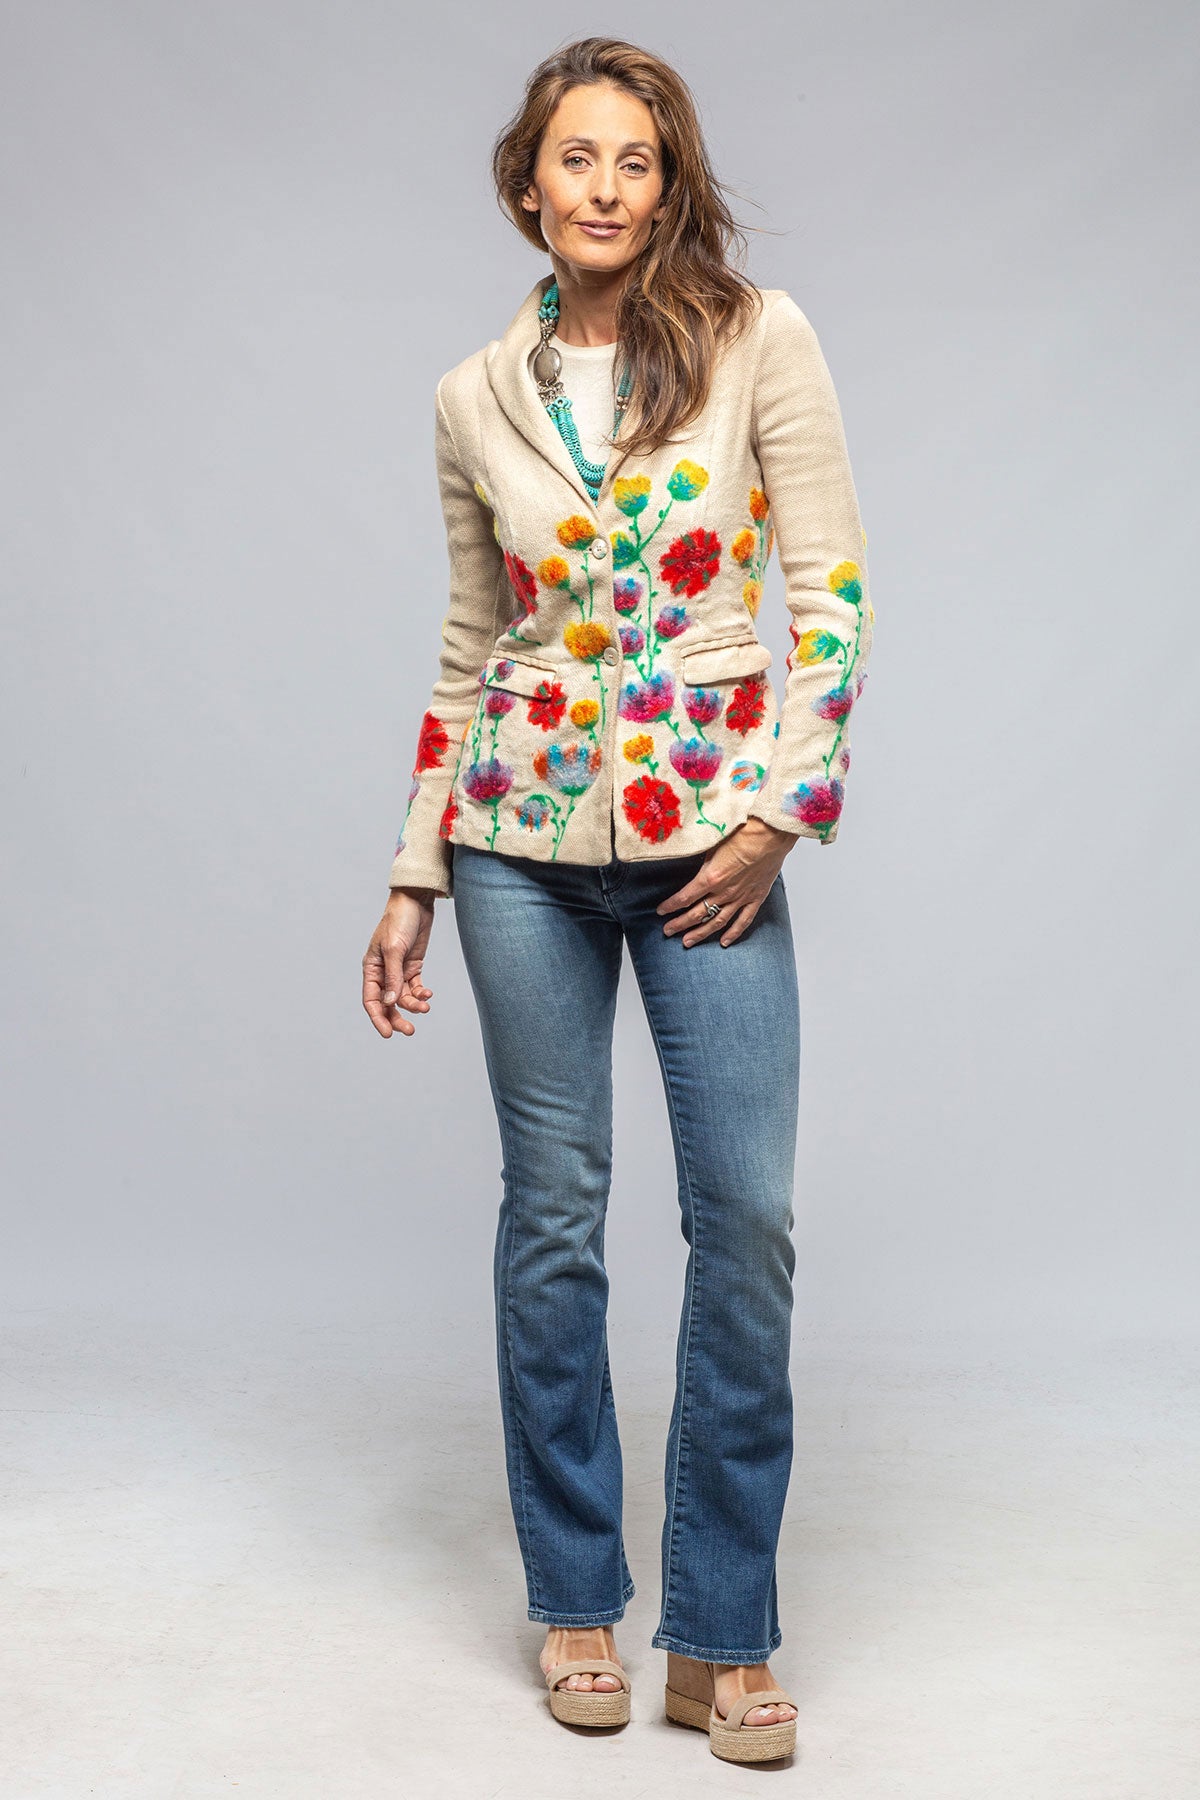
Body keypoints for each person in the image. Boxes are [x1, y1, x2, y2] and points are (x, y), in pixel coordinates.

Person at [362, 36, 873, 1766]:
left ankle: (719, 1634)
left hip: (709, 847)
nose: (603, 186)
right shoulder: (470, 396)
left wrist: (783, 813)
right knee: (556, 1217)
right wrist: (414, 871)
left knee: (746, 1220)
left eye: (634, 161)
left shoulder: (758, 339)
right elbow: (469, 642)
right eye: (575, 157)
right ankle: (576, 1598)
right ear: (529, 185)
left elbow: (833, 590)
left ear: (668, 187)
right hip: (515, 847)